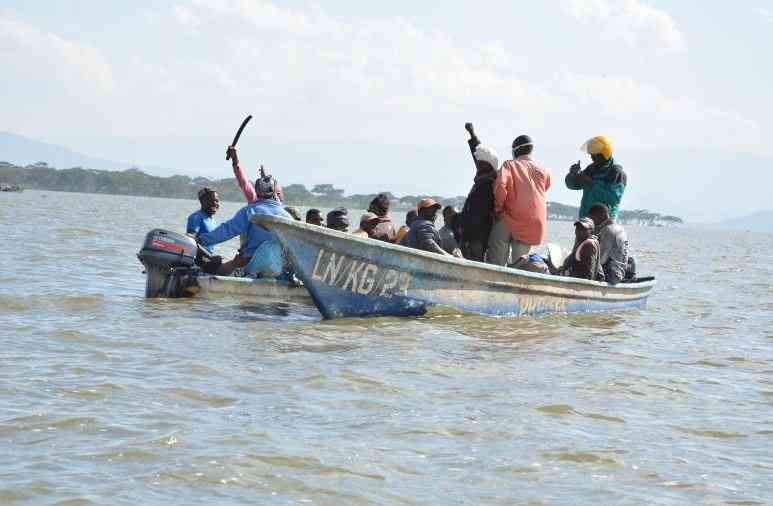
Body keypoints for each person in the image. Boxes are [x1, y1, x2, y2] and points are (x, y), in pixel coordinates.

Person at [198, 169, 291, 276]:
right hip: (279, 267)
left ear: (257, 192)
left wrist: (201, 240)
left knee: (215, 270)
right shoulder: (287, 216)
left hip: (249, 263)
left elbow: (227, 230)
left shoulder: (250, 210)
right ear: (275, 193)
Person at [488, 134, 551, 266]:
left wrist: (498, 209)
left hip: (510, 217)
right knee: (520, 263)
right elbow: (545, 187)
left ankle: (495, 278)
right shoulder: (544, 170)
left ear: (515, 150)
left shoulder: (509, 165)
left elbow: (500, 186)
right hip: (534, 223)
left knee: (497, 251)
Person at [459, 123, 498, 261]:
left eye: (482, 163)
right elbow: (477, 152)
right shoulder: (482, 177)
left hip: (480, 233)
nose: (478, 164)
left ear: (489, 165)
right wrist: (472, 134)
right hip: (468, 231)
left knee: (476, 258)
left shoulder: (493, 181)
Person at [565, 136, 627, 220]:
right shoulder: (591, 169)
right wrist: (572, 175)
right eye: (591, 155)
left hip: (605, 223)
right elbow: (573, 186)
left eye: (594, 155)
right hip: (587, 220)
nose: (591, 158)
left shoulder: (616, 173)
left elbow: (614, 199)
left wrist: (591, 184)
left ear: (603, 155)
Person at [587, 203, 629, 284]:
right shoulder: (619, 228)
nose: (592, 222)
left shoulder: (607, 231)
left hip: (612, 275)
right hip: (620, 272)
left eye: (592, 218)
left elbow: (601, 259)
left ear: (601, 215)